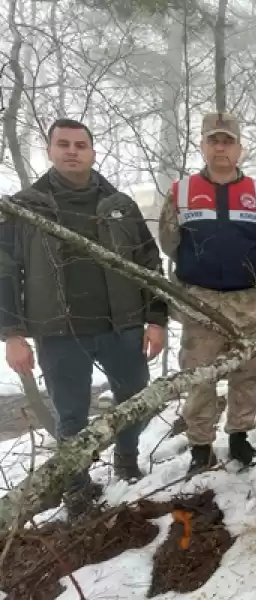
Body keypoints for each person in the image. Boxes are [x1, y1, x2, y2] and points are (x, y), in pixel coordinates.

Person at [0, 118, 168, 516]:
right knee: (71, 414)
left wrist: (157, 320)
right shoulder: (24, 208)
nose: (72, 151)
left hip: (121, 324)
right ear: (51, 150)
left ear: (93, 152)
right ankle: (76, 486)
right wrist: (12, 334)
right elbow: (5, 270)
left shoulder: (119, 205)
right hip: (59, 332)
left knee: (136, 398)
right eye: (64, 144)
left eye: (80, 144)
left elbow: (148, 261)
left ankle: (126, 458)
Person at [158, 112, 256, 474]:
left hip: (251, 303)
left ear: (240, 149)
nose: (220, 147)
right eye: (213, 140)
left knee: (247, 373)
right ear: (202, 146)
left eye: (227, 141)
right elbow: (170, 243)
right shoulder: (181, 193)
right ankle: (201, 448)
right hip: (201, 304)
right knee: (200, 378)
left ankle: (239, 438)